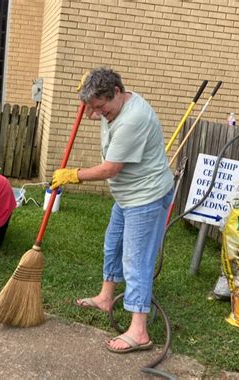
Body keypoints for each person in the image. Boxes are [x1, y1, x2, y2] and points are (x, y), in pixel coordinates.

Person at [51, 67, 173, 354]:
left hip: (146, 197)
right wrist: (89, 95)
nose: (95, 115)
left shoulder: (133, 119)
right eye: (91, 109)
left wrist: (75, 174)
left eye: (100, 108)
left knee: (136, 260)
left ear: (117, 92)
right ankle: (106, 297)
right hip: (127, 194)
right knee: (112, 245)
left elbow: (111, 168)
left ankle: (139, 331)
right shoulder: (114, 105)